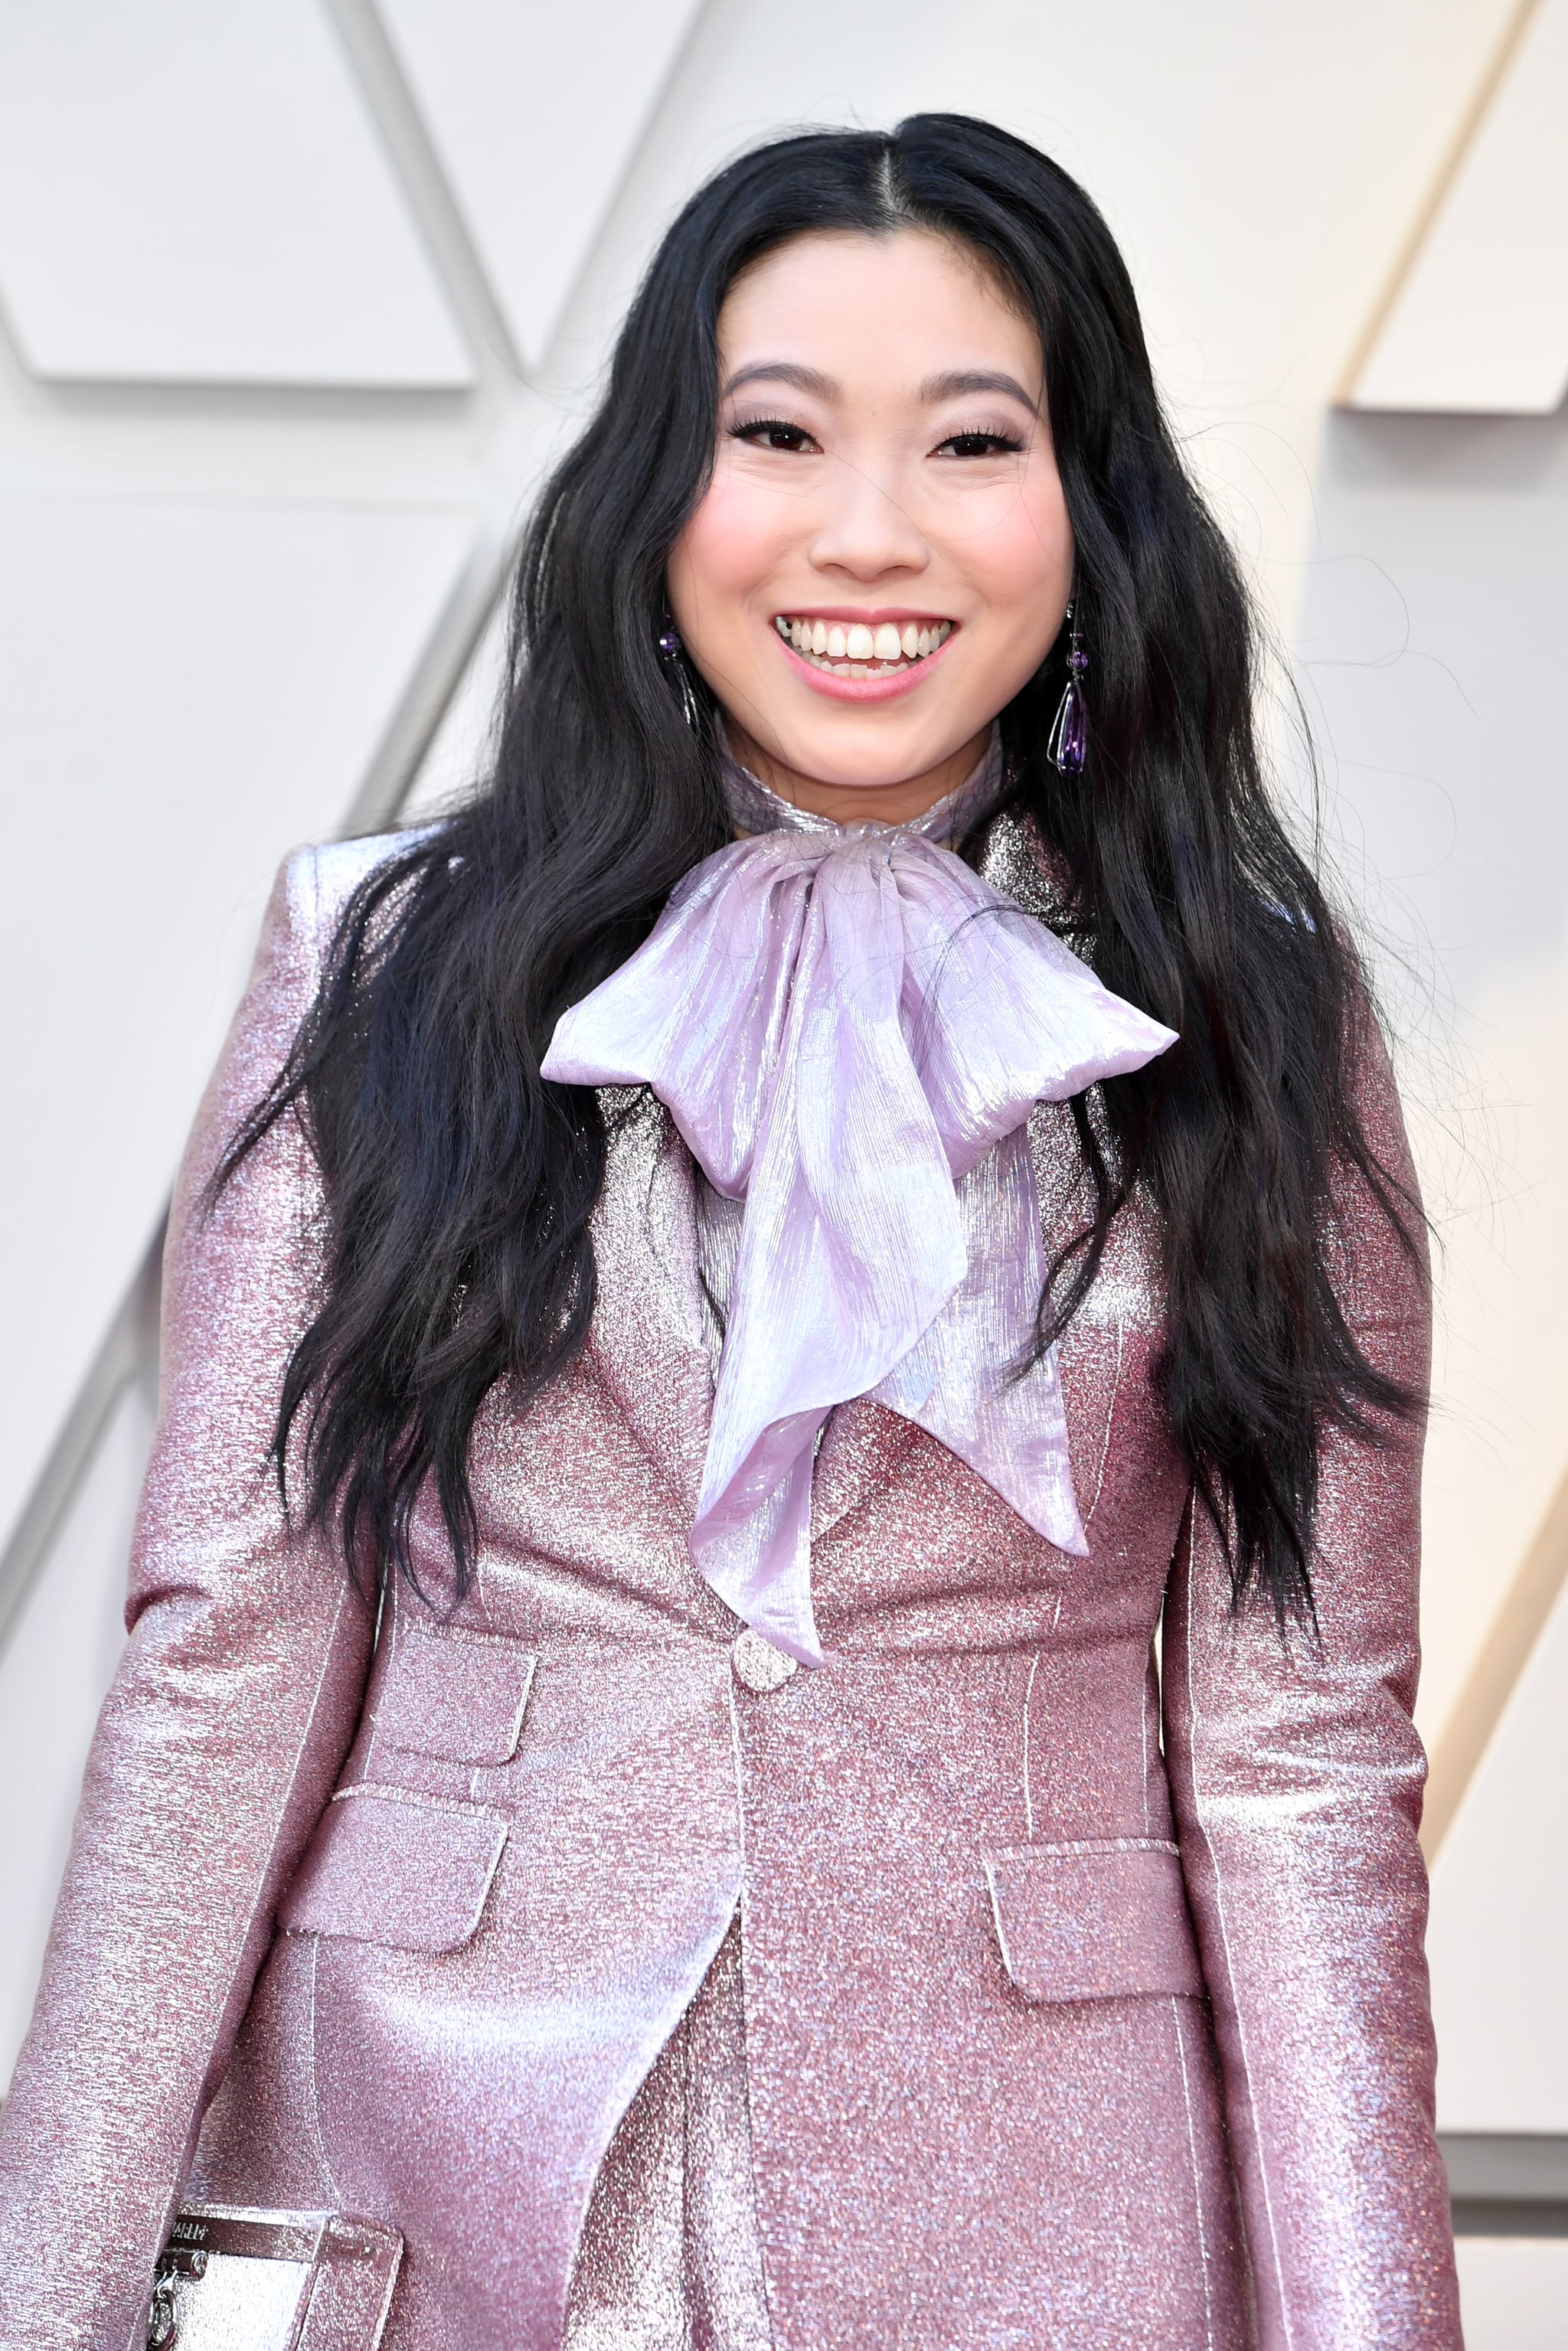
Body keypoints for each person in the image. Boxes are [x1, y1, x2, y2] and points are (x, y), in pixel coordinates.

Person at [0, 116, 1459, 2350]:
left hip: (1040, 2210)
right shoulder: (383, 954)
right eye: (776, 433)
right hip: (432, 2151)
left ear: (1090, 517)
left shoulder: (1247, 1013)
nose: (866, 530)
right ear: (655, 491)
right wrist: (48, 2289)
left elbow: (1299, 1761)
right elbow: (228, 1658)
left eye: (972, 441)